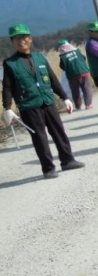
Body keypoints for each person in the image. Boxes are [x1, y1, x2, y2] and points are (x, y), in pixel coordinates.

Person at [2, 24, 84, 179]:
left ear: (30, 39)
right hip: (29, 106)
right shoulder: (10, 63)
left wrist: (64, 97)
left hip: (48, 102)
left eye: (24, 37)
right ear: (13, 41)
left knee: (59, 132)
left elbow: (53, 80)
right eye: (17, 38)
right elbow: (7, 87)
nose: (21, 41)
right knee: (40, 138)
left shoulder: (40, 58)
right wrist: (7, 108)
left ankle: (68, 161)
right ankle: (48, 168)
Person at [56, 39, 93, 110]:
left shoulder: (63, 56)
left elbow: (62, 66)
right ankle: (88, 104)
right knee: (86, 88)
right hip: (84, 72)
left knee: (75, 91)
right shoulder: (77, 51)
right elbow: (84, 58)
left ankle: (78, 106)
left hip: (72, 75)